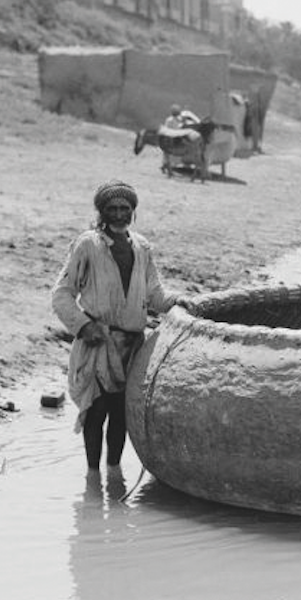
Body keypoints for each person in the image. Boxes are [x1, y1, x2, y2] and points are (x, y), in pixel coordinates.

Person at [52, 179, 189, 471]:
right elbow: (62, 294)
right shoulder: (87, 244)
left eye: (124, 208)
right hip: (97, 343)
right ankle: (92, 474)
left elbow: (155, 293)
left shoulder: (141, 247)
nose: (118, 214)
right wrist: (84, 326)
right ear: (101, 213)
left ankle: (113, 475)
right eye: (111, 209)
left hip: (133, 347)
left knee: (121, 414)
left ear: (133, 211)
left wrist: (179, 302)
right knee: (95, 410)